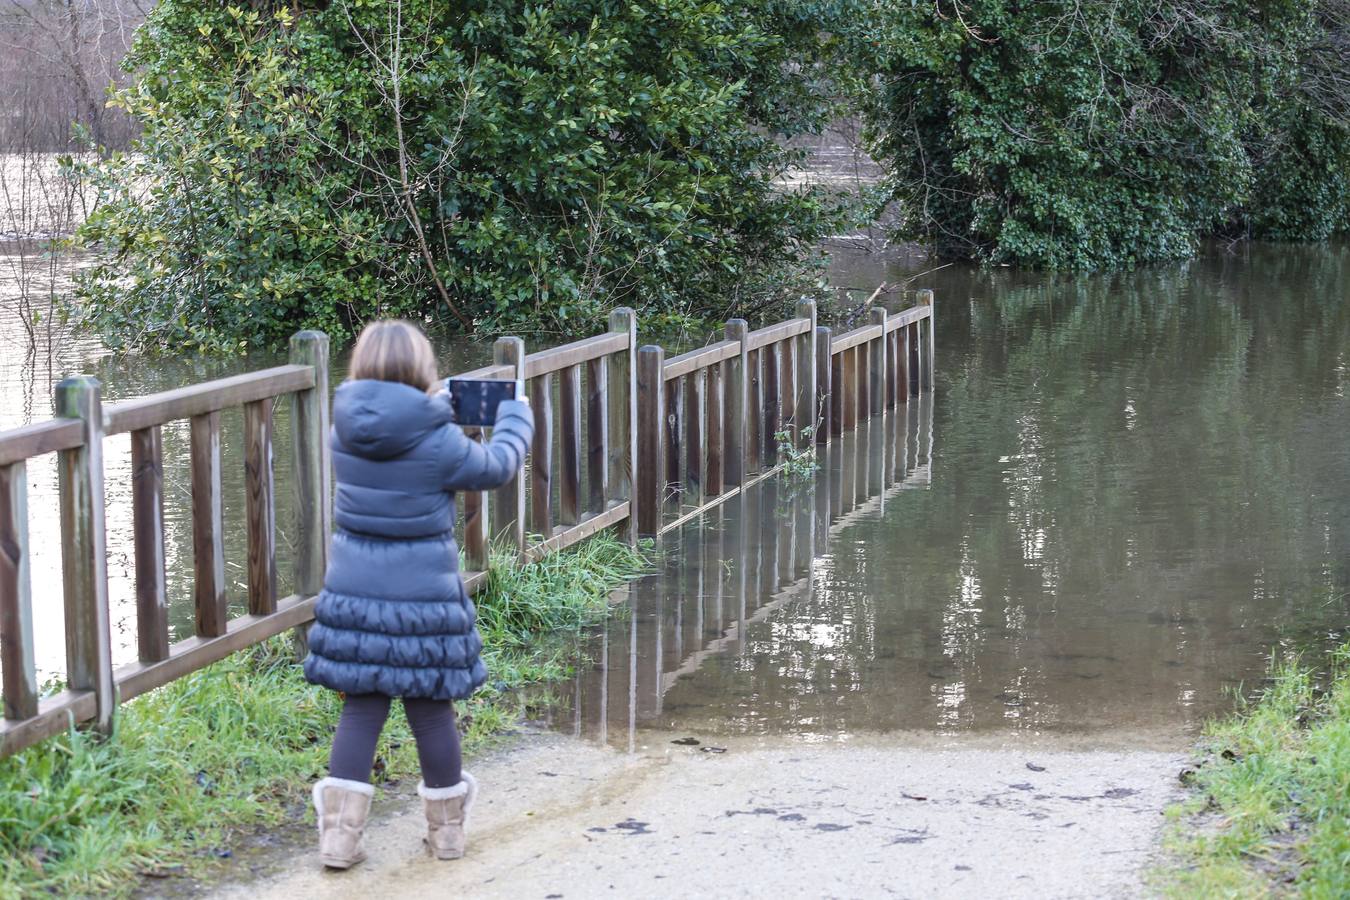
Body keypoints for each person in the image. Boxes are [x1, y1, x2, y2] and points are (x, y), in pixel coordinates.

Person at [303, 319, 533, 869]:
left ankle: (339, 839)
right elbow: (497, 467)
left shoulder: (343, 429)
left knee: (360, 712)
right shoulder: (439, 438)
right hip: (424, 601)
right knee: (431, 715)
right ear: (422, 370)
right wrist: (514, 415)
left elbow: (396, 439)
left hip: (355, 595)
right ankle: (447, 836)